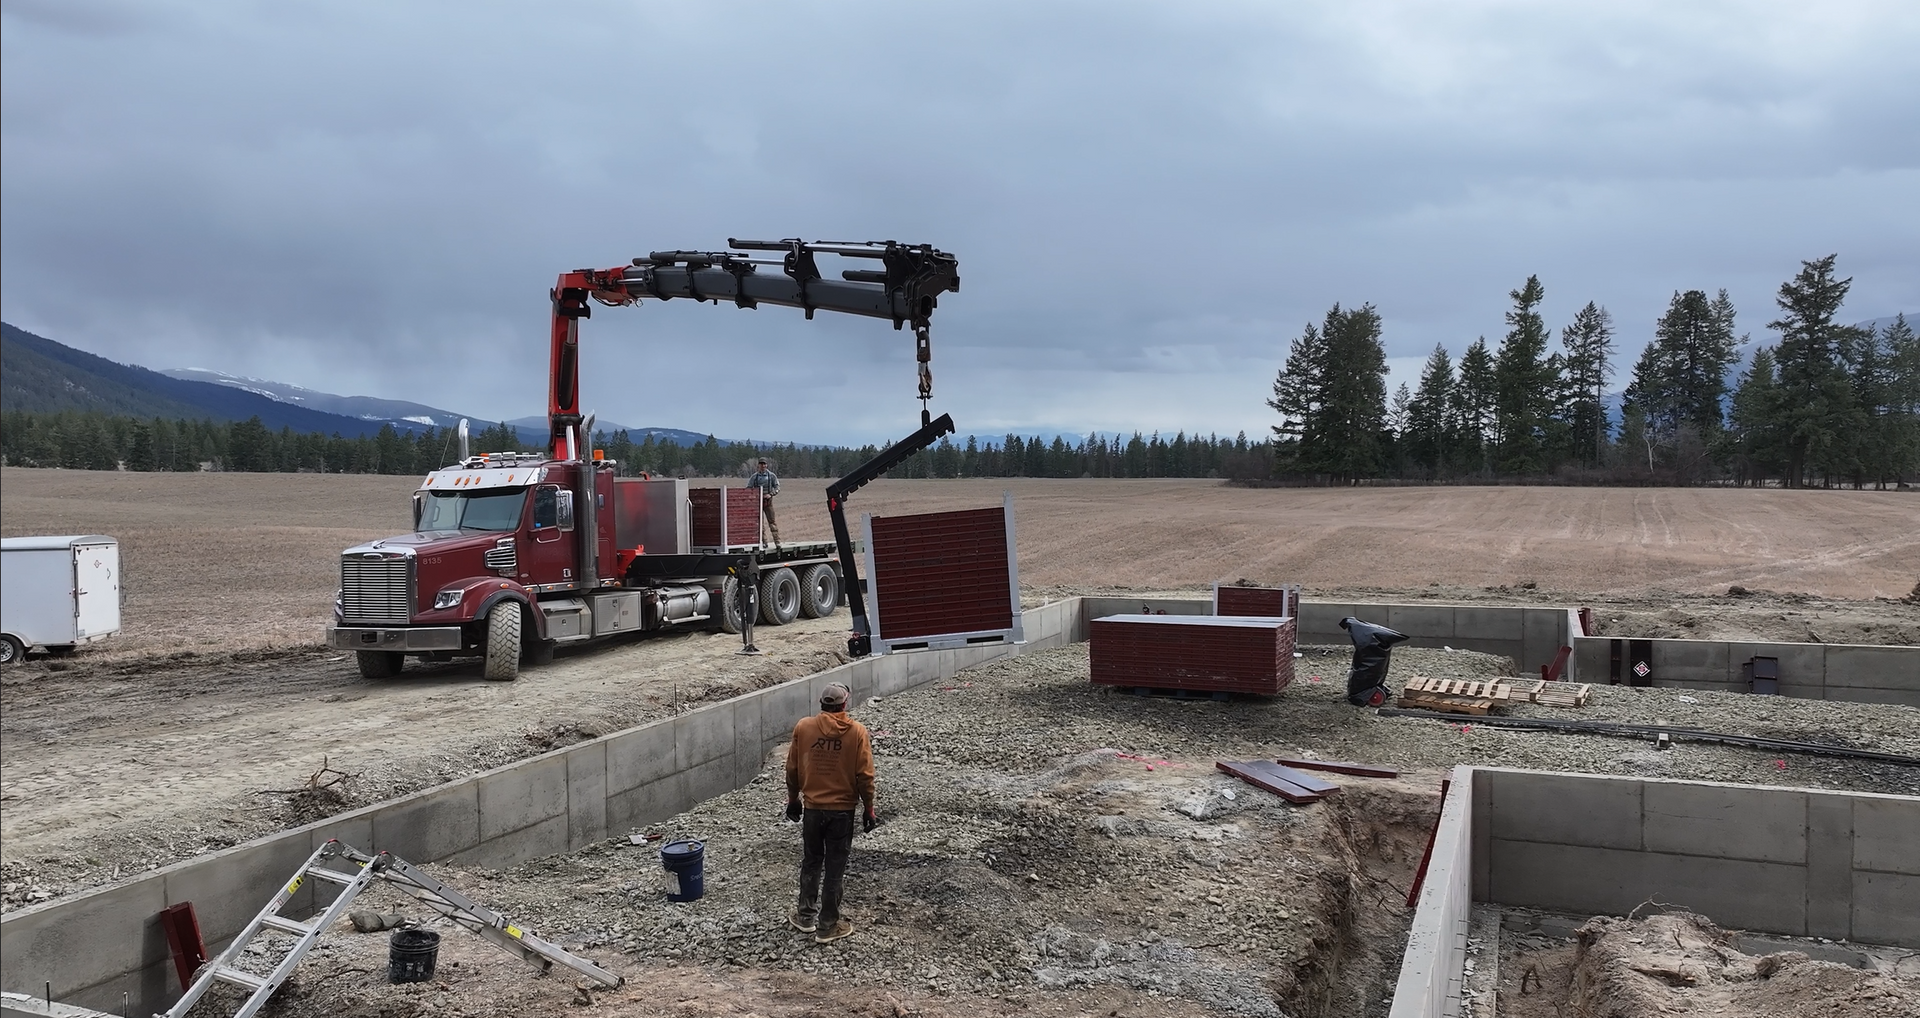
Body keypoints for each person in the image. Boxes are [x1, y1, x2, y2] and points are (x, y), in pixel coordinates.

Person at [784, 681, 876, 943]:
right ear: (845, 704)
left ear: (821, 704)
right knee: (835, 867)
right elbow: (864, 776)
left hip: (813, 809)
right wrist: (869, 808)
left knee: (812, 861)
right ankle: (827, 926)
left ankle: (805, 917)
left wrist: (793, 799)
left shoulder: (804, 727)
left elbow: (792, 768)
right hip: (842, 812)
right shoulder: (856, 731)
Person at [747, 457, 781, 547]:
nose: (762, 466)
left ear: (766, 465)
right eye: (761, 464)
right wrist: (754, 496)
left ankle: (777, 541)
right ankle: (764, 542)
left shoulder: (772, 476)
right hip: (757, 503)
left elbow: (777, 487)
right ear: (758, 465)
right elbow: (748, 488)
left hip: (768, 502)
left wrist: (771, 494)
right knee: (760, 524)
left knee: (772, 522)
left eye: (764, 464)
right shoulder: (754, 477)